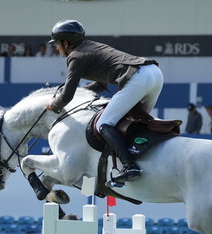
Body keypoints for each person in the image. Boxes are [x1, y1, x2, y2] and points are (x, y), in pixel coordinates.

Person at [45, 19, 163, 186]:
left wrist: (52, 104)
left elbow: (66, 97)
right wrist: (81, 93)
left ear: (66, 43)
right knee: (134, 122)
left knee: (104, 123)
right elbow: (102, 84)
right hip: (154, 73)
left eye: (57, 44)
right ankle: (141, 160)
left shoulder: (75, 56)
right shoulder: (92, 46)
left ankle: (130, 167)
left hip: (139, 78)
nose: (56, 48)